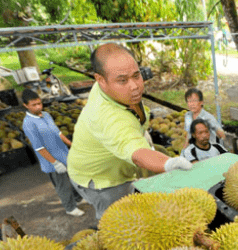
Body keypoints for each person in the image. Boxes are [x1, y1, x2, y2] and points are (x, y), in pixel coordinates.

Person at [67, 43, 192, 220]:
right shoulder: (108, 117)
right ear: (100, 80)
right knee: (118, 221)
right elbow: (136, 152)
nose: (134, 86)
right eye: (122, 80)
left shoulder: (111, 88)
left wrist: (142, 133)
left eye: (136, 75)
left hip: (111, 161)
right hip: (101, 179)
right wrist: (169, 164)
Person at [21, 89, 85, 216]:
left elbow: (58, 133)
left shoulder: (46, 115)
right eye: (34, 105)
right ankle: (70, 208)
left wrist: (72, 145)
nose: (38, 106)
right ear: (25, 106)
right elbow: (39, 148)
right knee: (62, 185)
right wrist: (55, 163)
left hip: (64, 154)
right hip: (51, 161)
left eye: (39, 103)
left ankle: (77, 199)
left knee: (73, 179)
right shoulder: (28, 124)